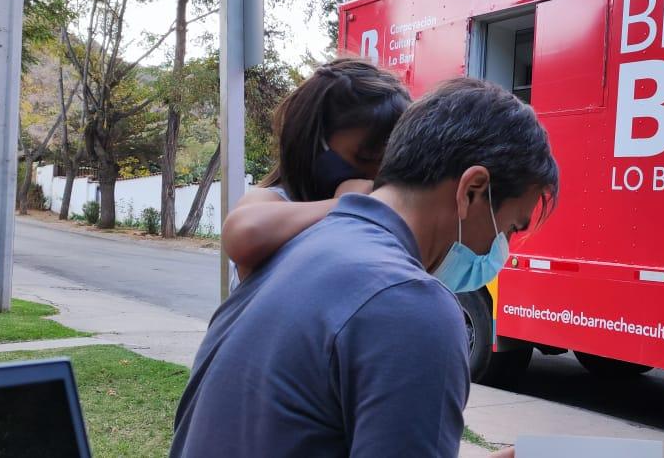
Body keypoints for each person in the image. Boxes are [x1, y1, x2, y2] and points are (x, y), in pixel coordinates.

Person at [171, 78, 559, 457]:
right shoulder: (412, 305)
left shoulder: (294, 247)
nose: (499, 248)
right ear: (472, 190)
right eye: (509, 227)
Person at [224, 58, 410, 282]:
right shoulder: (275, 199)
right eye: (364, 158)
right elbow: (245, 233)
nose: (374, 175)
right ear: (311, 145)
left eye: (387, 162)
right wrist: (347, 203)